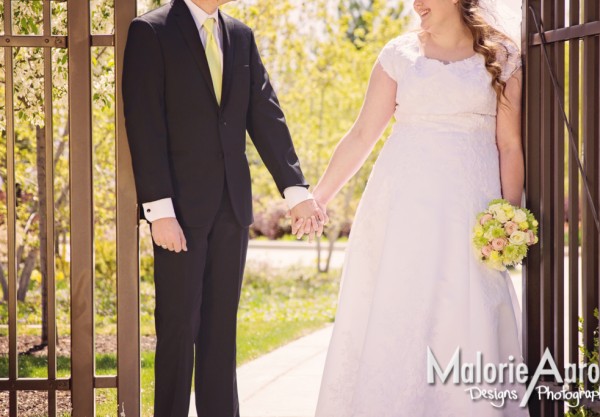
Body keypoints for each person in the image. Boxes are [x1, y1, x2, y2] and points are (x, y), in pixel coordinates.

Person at [311, 0, 531, 415]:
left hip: (469, 211)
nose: (416, 4)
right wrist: (317, 197)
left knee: (464, 310)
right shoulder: (399, 55)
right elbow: (361, 135)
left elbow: (510, 145)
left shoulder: (501, 56)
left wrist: (508, 216)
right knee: (401, 308)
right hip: (401, 210)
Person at [121, 0, 326, 415]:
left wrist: (296, 191)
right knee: (178, 332)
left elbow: (266, 115)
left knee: (220, 335)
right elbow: (143, 122)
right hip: (177, 213)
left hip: (232, 209)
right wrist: (159, 211)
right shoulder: (151, 31)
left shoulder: (241, 36)